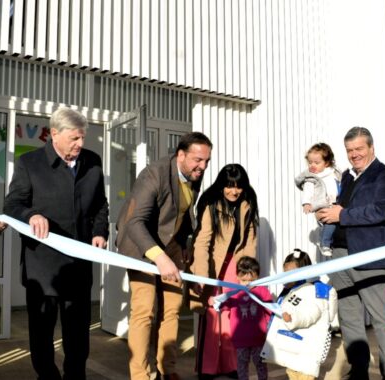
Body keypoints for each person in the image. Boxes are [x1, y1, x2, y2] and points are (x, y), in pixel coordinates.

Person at [4, 108, 109, 379]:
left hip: (79, 266)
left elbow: (100, 205)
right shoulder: (30, 163)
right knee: (42, 336)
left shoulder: (93, 162)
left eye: (82, 138)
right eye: (74, 138)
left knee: (77, 337)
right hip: (43, 267)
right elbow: (12, 205)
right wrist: (31, 215)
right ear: (54, 134)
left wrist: (100, 231)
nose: (80, 144)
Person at [116, 132, 212, 380]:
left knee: (171, 310)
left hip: (172, 249)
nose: (202, 167)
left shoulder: (193, 175)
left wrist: (186, 247)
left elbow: (182, 213)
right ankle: (140, 374)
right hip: (142, 246)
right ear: (180, 154)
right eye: (197, 160)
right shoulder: (154, 174)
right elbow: (134, 222)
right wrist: (159, 257)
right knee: (144, 311)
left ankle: (167, 368)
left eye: (206, 161)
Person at [316, 126, 385, 379]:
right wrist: (329, 214)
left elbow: (380, 211)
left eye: (359, 149)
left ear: (371, 148)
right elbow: (343, 209)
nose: (354, 154)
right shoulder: (348, 177)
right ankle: (359, 370)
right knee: (349, 316)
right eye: (350, 150)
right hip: (341, 255)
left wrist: (341, 214)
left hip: (369, 257)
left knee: (380, 318)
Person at [189, 163, 259, 379]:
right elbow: (202, 242)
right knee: (211, 314)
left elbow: (250, 241)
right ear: (222, 185)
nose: (233, 191)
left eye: (238, 186)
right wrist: (200, 274)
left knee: (233, 313)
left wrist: (249, 274)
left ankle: (231, 365)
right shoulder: (211, 203)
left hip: (235, 265)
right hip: (211, 264)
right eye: (229, 186)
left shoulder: (247, 203)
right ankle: (207, 368)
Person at [261, 250, 338, 379]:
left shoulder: (316, 290)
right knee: (292, 374)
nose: (287, 276)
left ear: (304, 272)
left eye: (291, 273)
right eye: (285, 272)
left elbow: (312, 313)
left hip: (306, 353)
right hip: (292, 350)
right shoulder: (290, 290)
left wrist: (294, 318)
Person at [217, 256, 272, 380]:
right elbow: (223, 306)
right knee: (242, 365)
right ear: (237, 277)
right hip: (240, 338)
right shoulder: (232, 291)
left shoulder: (262, 291)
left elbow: (269, 310)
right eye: (243, 280)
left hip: (258, 337)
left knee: (261, 364)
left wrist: (270, 327)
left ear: (257, 276)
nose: (247, 284)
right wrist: (215, 301)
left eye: (251, 280)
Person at [295, 143, 342, 256]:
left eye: (316, 162)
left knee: (336, 224)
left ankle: (331, 243)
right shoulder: (312, 178)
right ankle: (324, 244)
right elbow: (308, 190)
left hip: (335, 201)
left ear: (326, 163)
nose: (312, 165)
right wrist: (306, 203)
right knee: (330, 223)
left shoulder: (332, 172)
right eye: (310, 162)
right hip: (323, 204)